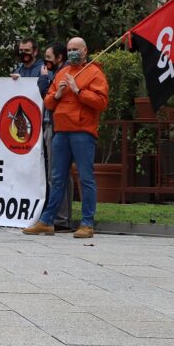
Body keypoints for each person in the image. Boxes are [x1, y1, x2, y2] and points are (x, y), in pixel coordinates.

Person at [24, 37, 108, 239]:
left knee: (86, 178)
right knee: (56, 178)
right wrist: (58, 94)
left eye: (75, 49)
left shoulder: (95, 72)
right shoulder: (62, 72)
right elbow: (48, 102)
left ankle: (87, 223)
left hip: (82, 132)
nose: (71, 52)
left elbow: (101, 102)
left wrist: (78, 91)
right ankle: (47, 221)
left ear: (85, 51)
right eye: (69, 49)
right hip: (61, 131)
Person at [38, 42, 72, 231]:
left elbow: (49, 98)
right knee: (61, 174)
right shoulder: (57, 73)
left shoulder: (61, 75)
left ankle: (60, 218)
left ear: (59, 58)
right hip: (53, 126)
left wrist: (43, 80)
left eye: (49, 58)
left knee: (56, 174)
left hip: (55, 126)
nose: (46, 62)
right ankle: (62, 217)